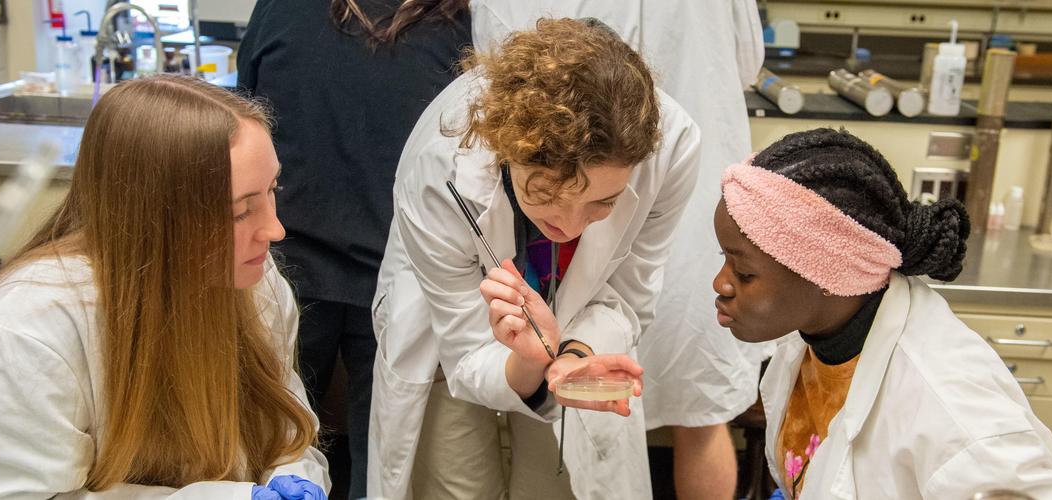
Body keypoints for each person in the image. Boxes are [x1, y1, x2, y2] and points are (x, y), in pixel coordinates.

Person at [369, 18, 700, 500]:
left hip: (576, 324)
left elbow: (627, 295)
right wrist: (526, 363)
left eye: (602, 204)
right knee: (457, 480)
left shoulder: (670, 150)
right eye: (545, 194)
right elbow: (465, 351)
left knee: (553, 484)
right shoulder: (440, 165)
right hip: (445, 334)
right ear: (508, 155)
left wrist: (574, 356)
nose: (568, 226)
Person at [0, 75, 329, 499]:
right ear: (153, 221)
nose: (275, 229)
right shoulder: (26, 332)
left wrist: (299, 474)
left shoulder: (253, 280)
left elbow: (286, 433)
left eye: (272, 190)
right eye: (239, 212)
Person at [469, 3, 770, 497]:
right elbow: (748, 60)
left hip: (642, 188)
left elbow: (494, 56)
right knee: (698, 415)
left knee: (689, 407)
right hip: (610, 191)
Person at [712, 128, 1052, 499]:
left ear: (827, 271)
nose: (720, 284)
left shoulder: (954, 415)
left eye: (744, 273)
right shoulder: (818, 342)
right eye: (723, 259)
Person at [237, 1, 470, 497]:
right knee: (381, 463)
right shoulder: (455, 26)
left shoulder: (282, 9)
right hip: (375, 268)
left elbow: (242, 121)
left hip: (302, 260)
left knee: (268, 448)